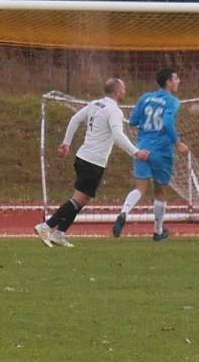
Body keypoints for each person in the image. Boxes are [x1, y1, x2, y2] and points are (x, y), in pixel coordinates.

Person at [35, 78, 149, 248]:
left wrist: (67, 143)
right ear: (117, 93)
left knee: (83, 199)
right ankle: (46, 226)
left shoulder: (95, 104)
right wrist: (135, 152)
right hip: (92, 162)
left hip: (83, 157)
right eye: (123, 89)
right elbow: (118, 134)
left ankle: (59, 234)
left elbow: (75, 119)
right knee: (78, 199)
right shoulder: (114, 111)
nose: (125, 91)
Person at [112, 67, 189, 241]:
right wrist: (177, 143)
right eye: (176, 78)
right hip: (161, 151)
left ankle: (124, 213)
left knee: (139, 188)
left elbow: (132, 121)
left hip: (141, 149)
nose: (178, 81)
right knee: (160, 190)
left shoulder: (145, 97)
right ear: (168, 82)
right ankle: (158, 231)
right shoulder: (173, 101)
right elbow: (168, 122)